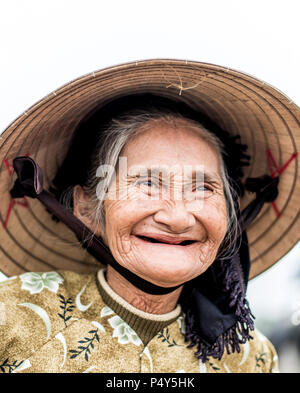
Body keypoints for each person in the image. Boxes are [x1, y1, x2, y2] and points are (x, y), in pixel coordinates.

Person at [0, 59, 299, 373]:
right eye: (146, 183)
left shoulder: (252, 359)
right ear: (87, 208)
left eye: (202, 187)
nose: (177, 217)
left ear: (228, 216)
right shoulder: (12, 316)